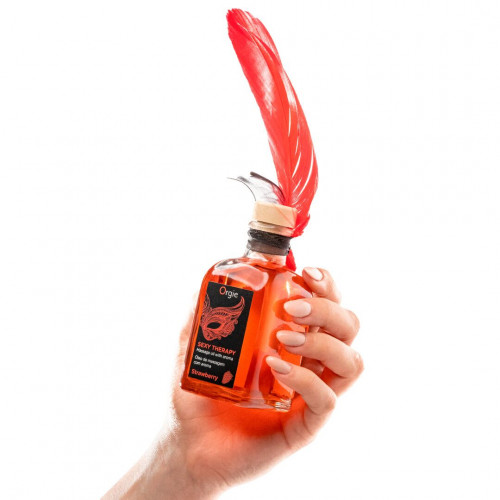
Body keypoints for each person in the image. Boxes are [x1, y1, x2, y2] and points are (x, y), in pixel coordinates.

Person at [103, 267, 363, 499]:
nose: (209, 334)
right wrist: (182, 458)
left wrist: (188, 469)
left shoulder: (281, 283)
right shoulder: (224, 271)